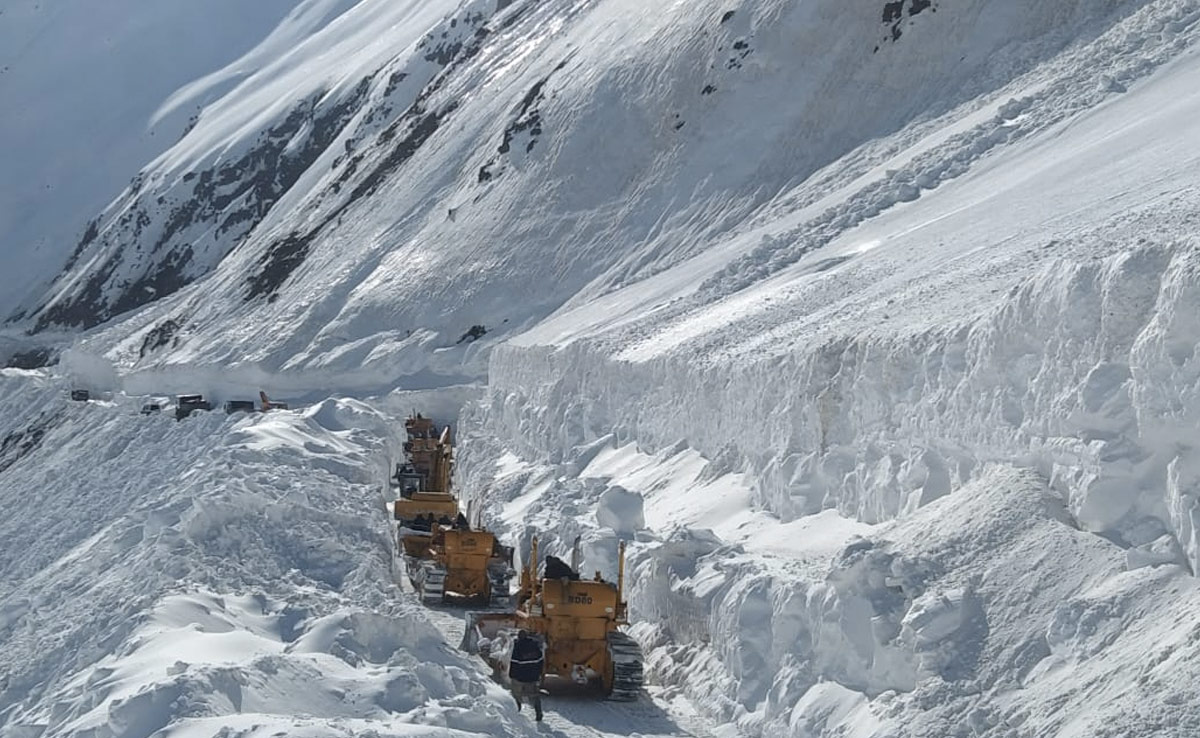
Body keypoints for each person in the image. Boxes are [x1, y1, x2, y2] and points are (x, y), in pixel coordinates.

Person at [509, 630, 544, 721]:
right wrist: (539, 673)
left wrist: (512, 675)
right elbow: (540, 660)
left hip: (520, 677)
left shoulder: (518, 646)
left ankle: (517, 712)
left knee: (516, 695)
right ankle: (538, 713)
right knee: (534, 695)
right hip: (533, 677)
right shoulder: (535, 645)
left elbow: (514, 663)